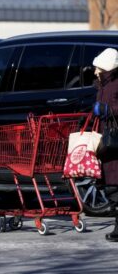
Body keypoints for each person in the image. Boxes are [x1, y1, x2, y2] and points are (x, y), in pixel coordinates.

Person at [91, 47, 118, 242]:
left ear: (105, 68)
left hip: (114, 140)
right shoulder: (103, 84)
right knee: (112, 185)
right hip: (108, 141)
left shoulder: (114, 85)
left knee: (115, 186)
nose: (94, 71)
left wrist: (108, 109)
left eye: (97, 68)